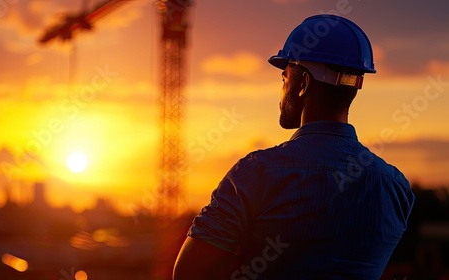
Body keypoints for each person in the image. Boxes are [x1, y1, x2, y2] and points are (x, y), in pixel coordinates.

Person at [173, 14, 415, 280]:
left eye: (284, 78)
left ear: (303, 84)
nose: (282, 89)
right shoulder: (395, 188)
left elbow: (187, 273)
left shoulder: (255, 174)